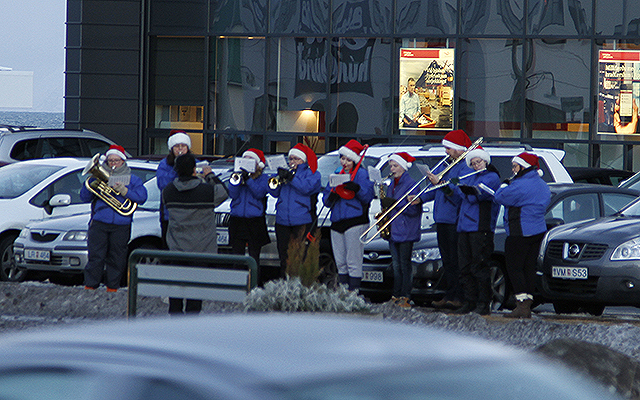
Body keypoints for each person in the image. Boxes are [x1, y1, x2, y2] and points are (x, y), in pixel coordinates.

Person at [161, 153, 228, 314]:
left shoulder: (168, 191)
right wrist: (209, 174)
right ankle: (191, 321)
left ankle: (175, 317)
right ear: (193, 169)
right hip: (201, 249)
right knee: (195, 293)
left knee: (176, 290)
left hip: (177, 249)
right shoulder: (206, 190)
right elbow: (224, 192)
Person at [416, 129, 473, 310]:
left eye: (449, 148)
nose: (446, 151)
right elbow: (434, 190)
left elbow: (456, 195)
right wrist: (420, 198)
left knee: (455, 260)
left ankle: (458, 296)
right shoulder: (444, 165)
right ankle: (449, 294)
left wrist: (440, 184)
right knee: (447, 260)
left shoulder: (464, 167)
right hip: (441, 218)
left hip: (454, 220)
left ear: (459, 149)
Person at [81, 144, 148, 292]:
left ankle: (112, 288)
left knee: (117, 257)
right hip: (99, 222)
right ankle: (90, 286)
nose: (113, 164)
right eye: (110, 161)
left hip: (121, 224)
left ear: (123, 162)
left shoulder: (133, 179)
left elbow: (142, 197)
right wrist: (89, 184)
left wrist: (125, 191)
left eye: (117, 161)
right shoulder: (98, 177)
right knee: (95, 256)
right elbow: (84, 197)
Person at [494, 152, 550, 318]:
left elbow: (500, 197)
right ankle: (528, 302)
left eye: (515, 166)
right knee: (529, 268)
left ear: (523, 166)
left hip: (520, 230)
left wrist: (504, 185)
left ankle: (522, 304)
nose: (513, 169)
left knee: (515, 267)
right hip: (538, 230)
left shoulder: (519, 185)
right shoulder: (542, 184)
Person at [448, 146, 500, 315]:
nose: (476, 165)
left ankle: (483, 302)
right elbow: (462, 192)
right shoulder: (471, 177)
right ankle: (470, 301)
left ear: (485, 161)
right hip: (464, 226)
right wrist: (458, 187)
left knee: (479, 266)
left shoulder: (492, 177)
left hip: (480, 227)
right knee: (465, 266)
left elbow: (477, 196)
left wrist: (463, 190)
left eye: (479, 162)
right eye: (473, 163)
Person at [323, 140, 374, 291]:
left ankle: (354, 293)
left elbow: (367, 197)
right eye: (343, 158)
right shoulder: (337, 173)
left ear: (355, 160)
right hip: (337, 222)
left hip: (355, 221)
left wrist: (357, 189)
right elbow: (326, 199)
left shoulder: (362, 174)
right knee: (340, 262)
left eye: (348, 159)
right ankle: (344, 292)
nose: (344, 162)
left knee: (353, 261)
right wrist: (330, 197)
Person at [268, 143, 322, 279]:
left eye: (296, 159)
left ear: (303, 160)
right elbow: (274, 192)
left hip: (302, 221)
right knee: (284, 258)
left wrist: (291, 178)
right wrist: (278, 177)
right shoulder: (287, 174)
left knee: (300, 257)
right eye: (290, 159)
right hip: (282, 221)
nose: (292, 162)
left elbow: (306, 188)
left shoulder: (313, 174)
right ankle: (284, 285)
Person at [381, 152, 421, 308]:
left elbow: (413, 210)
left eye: (395, 165)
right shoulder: (391, 184)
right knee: (396, 265)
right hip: (394, 229)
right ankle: (395, 294)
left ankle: (406, 295)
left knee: (405, 265)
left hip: (406, 229)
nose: (392, 169)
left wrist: (395, 204)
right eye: (391, 166)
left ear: (404, 167)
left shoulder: (411, 184)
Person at [228, 148, 270, 284]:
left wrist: (249, 180)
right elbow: (232, 194)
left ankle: (254, 285)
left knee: (254, 257)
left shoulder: (263, 178)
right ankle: (236, 285)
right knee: (237, 256)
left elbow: (259, 193)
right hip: (237, 220)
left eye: (251, 160)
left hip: (255, 221)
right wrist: (238, 178)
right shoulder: (237, 176)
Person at [156, 130, 200, 248]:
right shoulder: (164, 164)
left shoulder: (196, 163)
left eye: (183, 146)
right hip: (169, 215)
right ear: (171, 148)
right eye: (176, 146)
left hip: (190, 215)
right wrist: (178, 167)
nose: (180, 149)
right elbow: (163, 184)